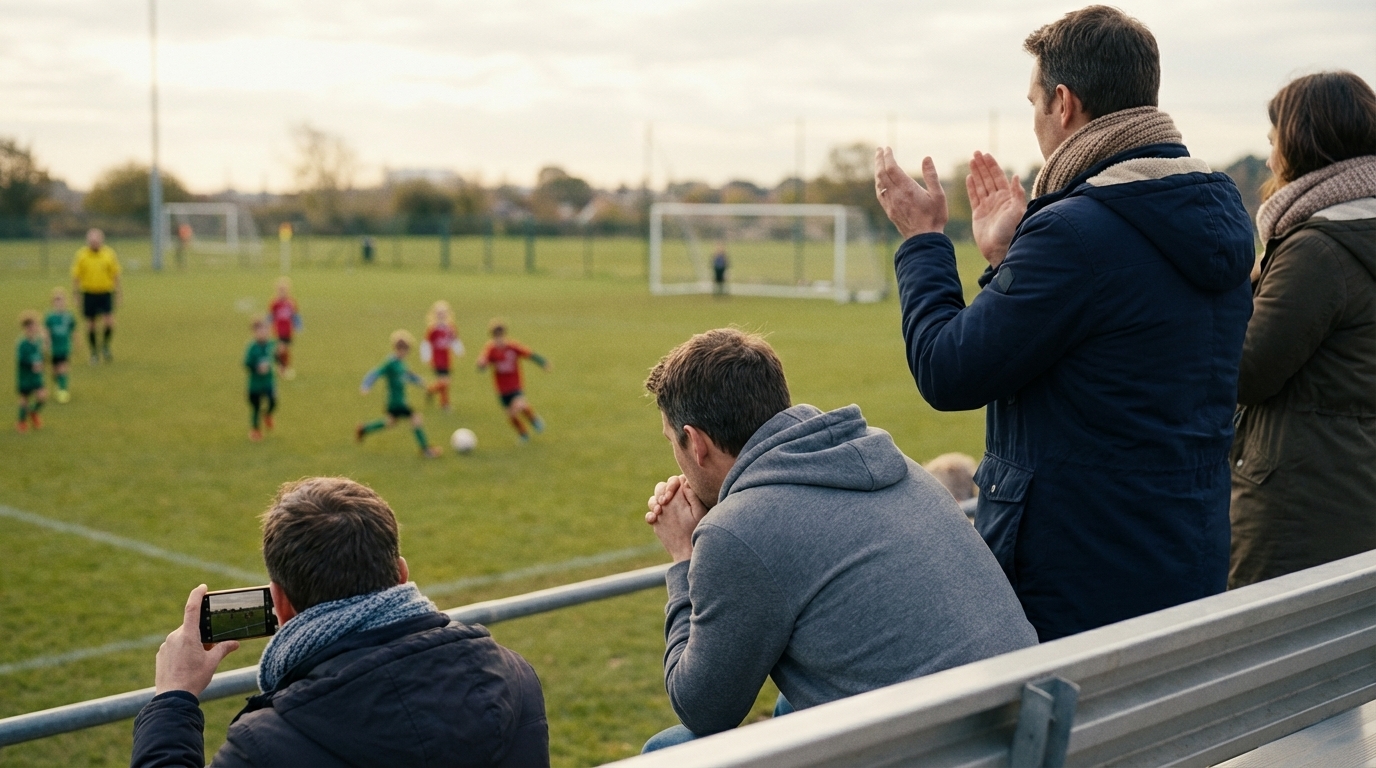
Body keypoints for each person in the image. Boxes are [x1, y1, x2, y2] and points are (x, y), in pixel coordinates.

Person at [873, 5, 1254, 641]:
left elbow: (949, 370)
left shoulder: (1077, 231)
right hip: (1185, 560)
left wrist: (923, 241)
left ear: (1065, 103)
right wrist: (1006, 258)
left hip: (1077, 580)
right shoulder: (1213, 219)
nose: (1034, 123)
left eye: (1033, 103)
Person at [639, 328, 1037, 751]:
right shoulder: (886, 460)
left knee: (668, 750)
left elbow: (703, 708)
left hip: (927, 750)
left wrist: (685, 557)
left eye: (673, 443)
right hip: (1021, 731)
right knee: (789, 710)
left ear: (696, 444)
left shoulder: (739, 531)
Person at [129, 476, 549, 767]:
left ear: (281, 603)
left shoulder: (266, 744)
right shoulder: (517, 678)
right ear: (401, 574)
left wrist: (173, 699)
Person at [1230, 72, 1376, 588]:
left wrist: (1229, 296)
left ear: (1300, 142)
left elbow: (1248, 370)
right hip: (1354, 486)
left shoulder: (1317, 249)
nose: (1271, 158)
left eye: (1274, 142)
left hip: (1298, 507)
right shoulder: (1361, 230)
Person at [356, 330, 443, 458]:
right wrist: (366, 385)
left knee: (390, 422)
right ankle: (426, 450)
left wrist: (421, 382)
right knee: (416, 419)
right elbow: (375, 372)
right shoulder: (390, 362)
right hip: (396, 401)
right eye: (405, 350)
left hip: (398, 401)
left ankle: (364, 429)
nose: (406, 353)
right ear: (399, 349)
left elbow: (408, 375)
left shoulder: (401, 363)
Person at [476, 320, 549, 443]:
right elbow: (482, 364)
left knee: (520, 406)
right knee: (511, 415)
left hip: (515, 385)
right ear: (493, 337)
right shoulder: (490, 349)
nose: (499, 340)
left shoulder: (512, 347)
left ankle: (534, 420)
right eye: (496, 337)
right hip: (501, 389)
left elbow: (529, 353)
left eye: (501, 336)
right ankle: (523, 433)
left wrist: (543, 362)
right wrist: (481, 364)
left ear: (504, 335)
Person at [71, 227, 120, 364]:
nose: (94, 243)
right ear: (88, 241)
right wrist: (76, 294)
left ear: (101, 240)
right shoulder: (82, 255)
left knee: (109, 321)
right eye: (92, 241)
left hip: (105, 292)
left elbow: (115, 274)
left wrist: (118, 293)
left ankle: (105, 346)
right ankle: (93, 352)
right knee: (91, 324)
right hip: (89, 292)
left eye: (97, 240)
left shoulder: (109, 254)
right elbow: (76, 276)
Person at [422, 300, 465, 411]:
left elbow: (454, 340)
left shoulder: (450, 328)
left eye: (443, 313)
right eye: (439, 314)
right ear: (435, 315)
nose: (441, 316)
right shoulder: (433, 329)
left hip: (447, 358)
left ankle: (431, 391)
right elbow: (426, 343)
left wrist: (459, 350)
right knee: (445, 381)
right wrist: (426, 356)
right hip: (437, 359)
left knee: (445, 383)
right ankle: (444, 403)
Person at [244, 319, 277, 442]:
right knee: (256, 407)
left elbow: (275, 356)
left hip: (268, 381)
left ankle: (268, 414)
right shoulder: (252, 347)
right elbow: (246, 363)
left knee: (273, 401)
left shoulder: (271, 344)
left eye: (265, 330)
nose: (263, 333)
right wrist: (257, 368)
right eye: (260, 331)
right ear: (254, 332)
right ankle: (255, 430)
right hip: (255, 384)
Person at [15, 311, 46, 432]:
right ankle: (21, 422)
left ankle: (33, 412)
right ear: (26, 328)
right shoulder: (22, 343)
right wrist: (32, 364)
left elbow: (42, 355)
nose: (33, 328)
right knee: (24, 399)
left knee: (42, 397)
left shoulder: (38, 341)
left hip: (36, 377)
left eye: (35, 325)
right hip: (25, 376)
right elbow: (21, 359)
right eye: (31, 326)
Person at [44, 288, 76, 403]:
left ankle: (63, 391)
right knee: (55, 371)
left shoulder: (69, 316)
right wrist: (46, 344)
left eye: (61, 300)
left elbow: (73, 330)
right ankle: (59, 383)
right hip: (54, 348)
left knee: (63, 368)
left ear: (65, 302)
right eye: (56, 300)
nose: (59, 303)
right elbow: (46, 332)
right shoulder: (50, 317)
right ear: (53, 303)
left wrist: (75, 341)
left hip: (65, 347)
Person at [268, 277, 301, 380]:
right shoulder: (274, 303)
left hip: (287, 331)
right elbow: (271, 316)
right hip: (277, 331)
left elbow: (295, 315)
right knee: (280, 349)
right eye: (280, 290)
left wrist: (298, 326)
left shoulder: (291, 303)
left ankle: (283, 368)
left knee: (284, 350)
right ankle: (282, 368)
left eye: (284, 290)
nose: (282, 292)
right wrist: (267, 326)